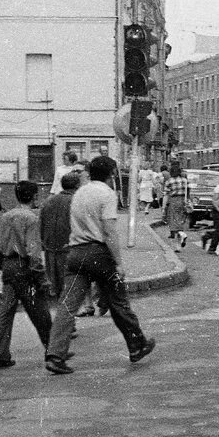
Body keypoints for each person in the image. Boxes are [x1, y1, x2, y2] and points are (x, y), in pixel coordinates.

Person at [44, 156, 156, 375]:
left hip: (75, 253)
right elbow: (109, 231)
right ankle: (137, 345)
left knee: (67, 306)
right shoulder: (107, 194)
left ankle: (55, 355)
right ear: (112, 174)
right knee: (119, 303)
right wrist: (118, 263)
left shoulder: (79, 192)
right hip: (98, 253)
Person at [0, 180, 53, 369]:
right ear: (34, 197)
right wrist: (42, 278)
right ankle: (54, 350)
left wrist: (2, 264)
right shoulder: (31, 219)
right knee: (40, 311)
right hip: (24, 269)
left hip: (9, 267)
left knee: (5, 312)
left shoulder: (6, 216)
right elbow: (33, 252)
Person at [40, 171, 79, 307]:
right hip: (69, 246)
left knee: (54, 281)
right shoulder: (75, 201)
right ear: (77, 185)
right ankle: (66, 315)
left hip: (50, 246)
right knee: (68, 281)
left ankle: (59, 309)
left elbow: (42, 222)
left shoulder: (49, 201)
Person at [162, 161, 190, 250]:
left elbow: (166, 195)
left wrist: (163, 207)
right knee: (181, 221)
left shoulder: (169, 181)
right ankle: (178, 246)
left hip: (174, 201)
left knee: (174, 222)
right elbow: (188, 192)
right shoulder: (184, 180)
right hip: (183, 201)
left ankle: (182, 235)